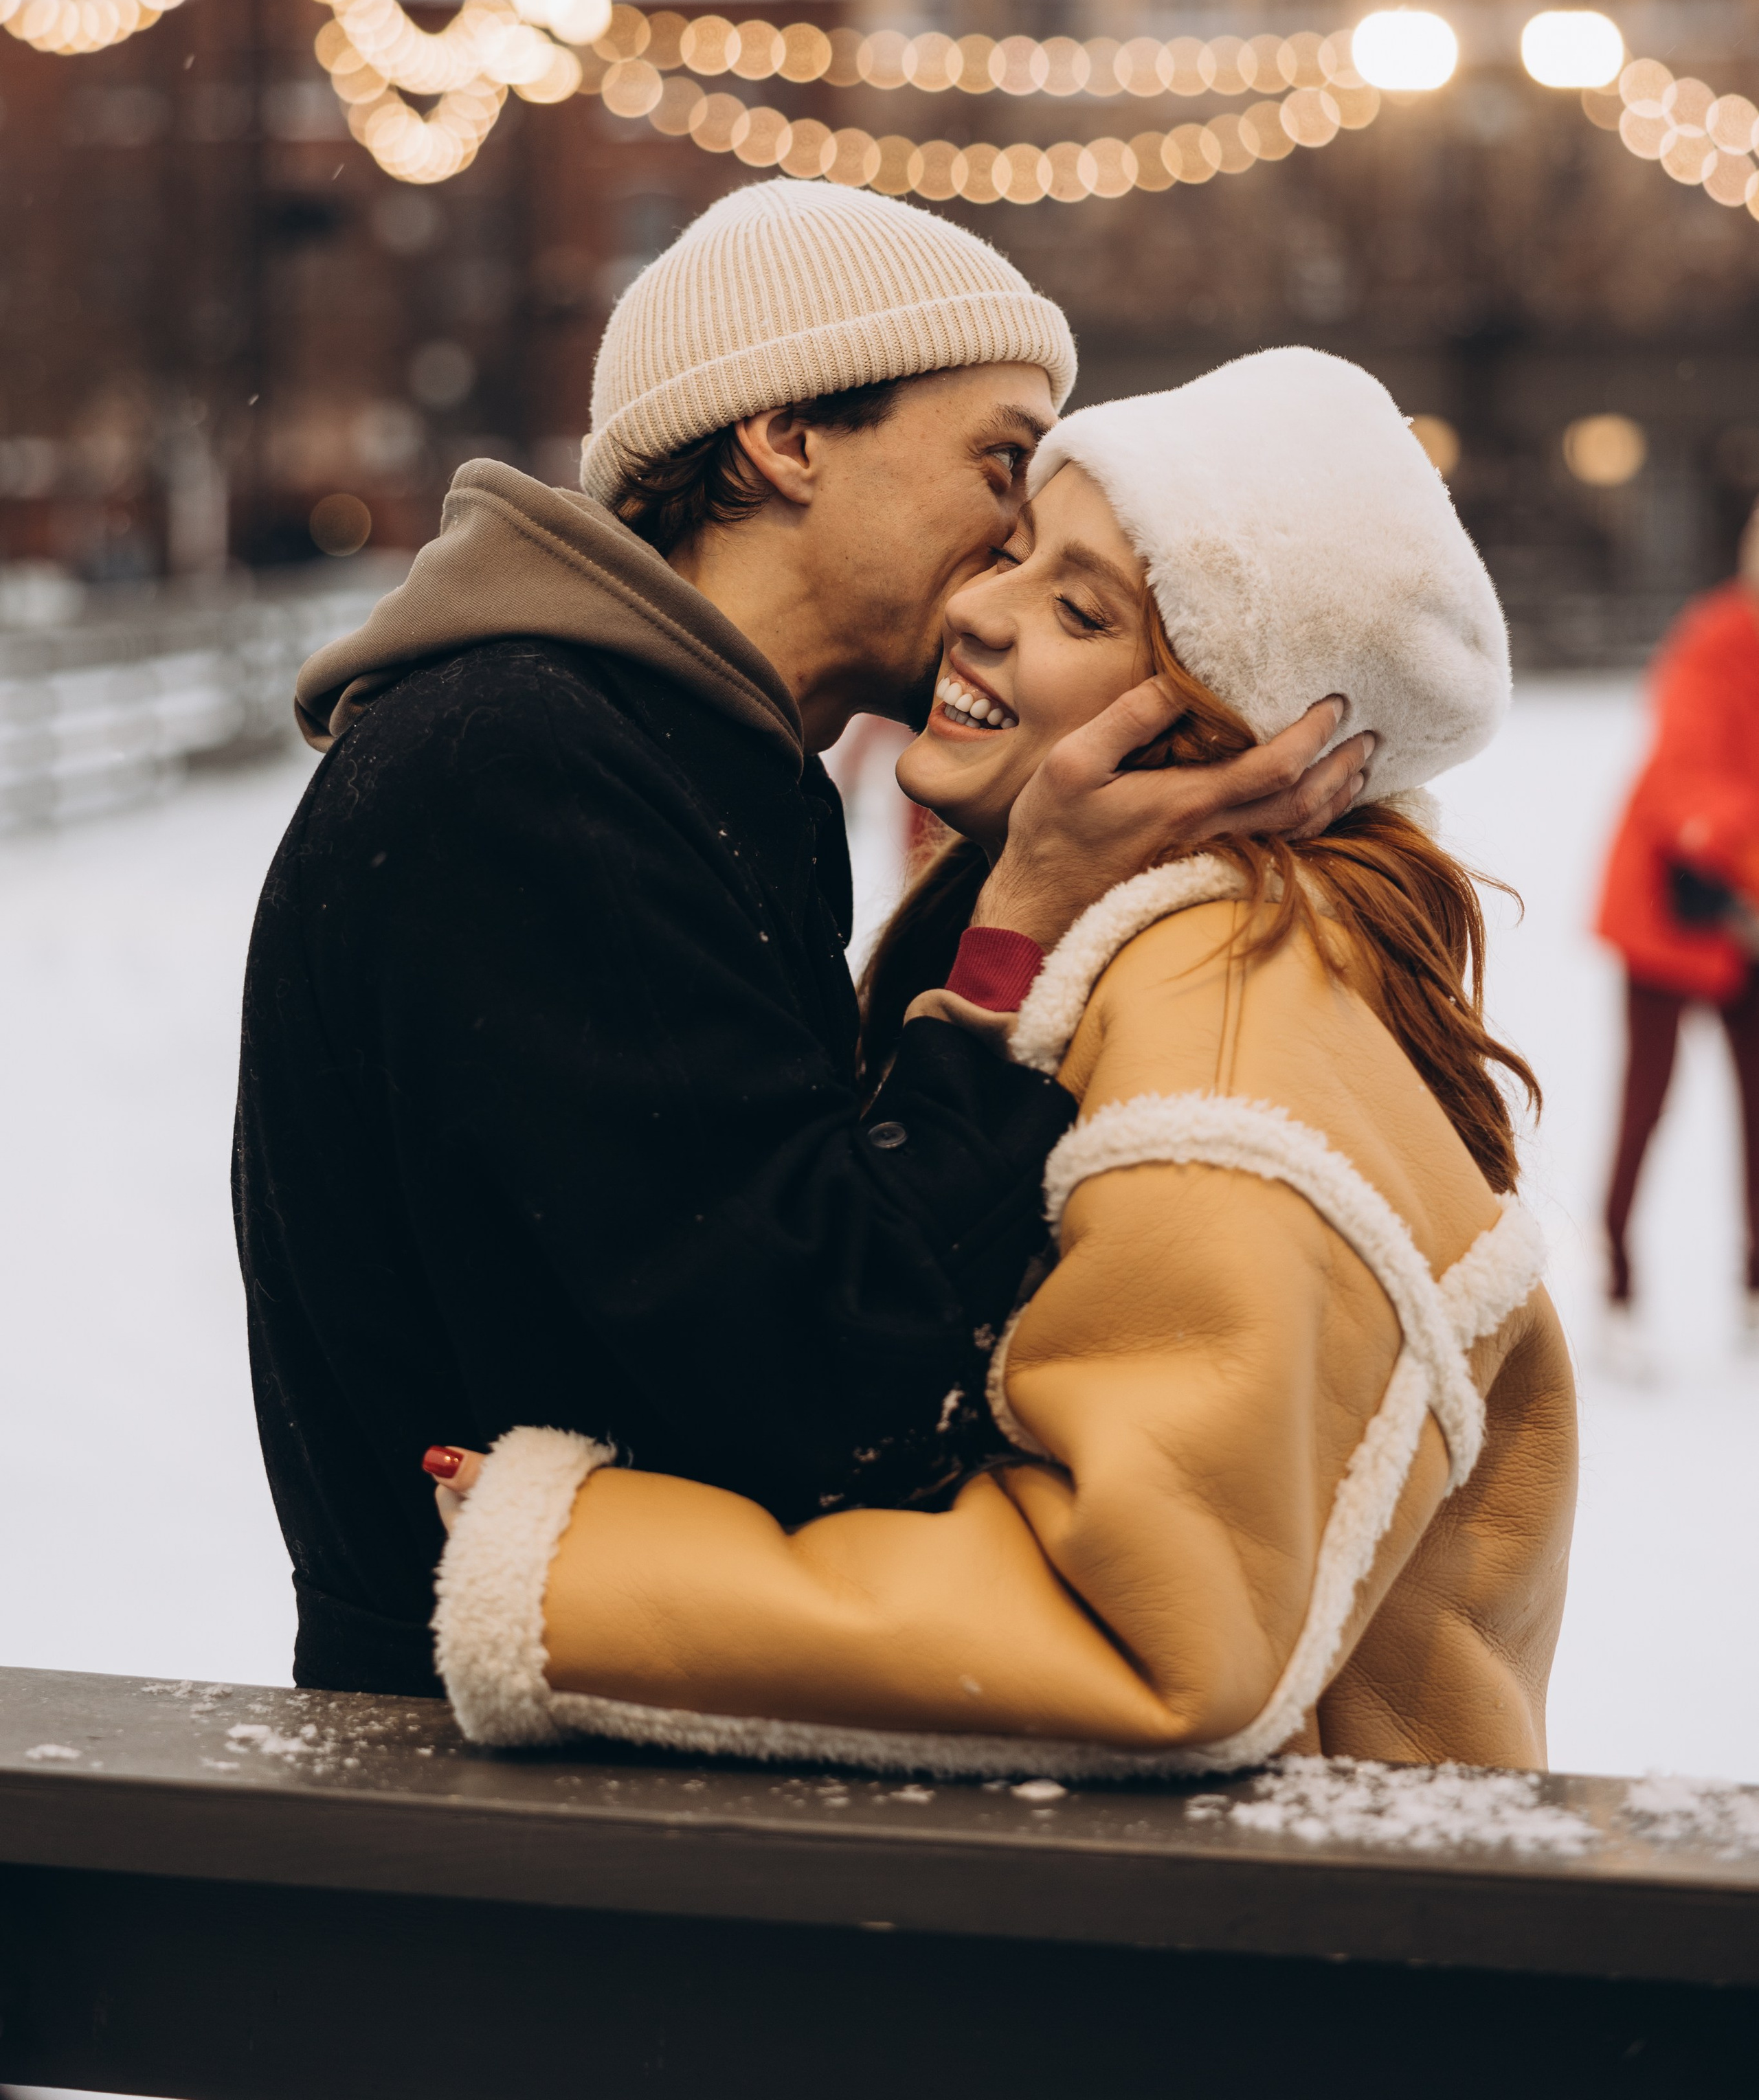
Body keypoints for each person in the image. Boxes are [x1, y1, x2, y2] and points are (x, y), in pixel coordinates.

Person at [235, 185, 1366, 1699]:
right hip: (498, 1795)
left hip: (598, 1723)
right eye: (999, 466)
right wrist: (1013, 929)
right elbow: (838, 1379)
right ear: (785, 437)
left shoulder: (673, 763)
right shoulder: (527, 775)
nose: (1008, 549)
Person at [427, 348, 1578, 1778]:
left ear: (1219, 729)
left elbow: (1148, 1641)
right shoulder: (1103, 954)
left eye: (1075, 606)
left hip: (1285, 1953)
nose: (973, 607)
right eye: (1015, 549)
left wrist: (562, 1561)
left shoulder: (1220, 1045)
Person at [1595, 504, 1759, 1370]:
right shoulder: (1713, 641)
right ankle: (1618, 1287)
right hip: (1672, 908)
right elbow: (1688, 781)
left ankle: (1754, 1287)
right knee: (1646, 1103)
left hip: (1746, 921)